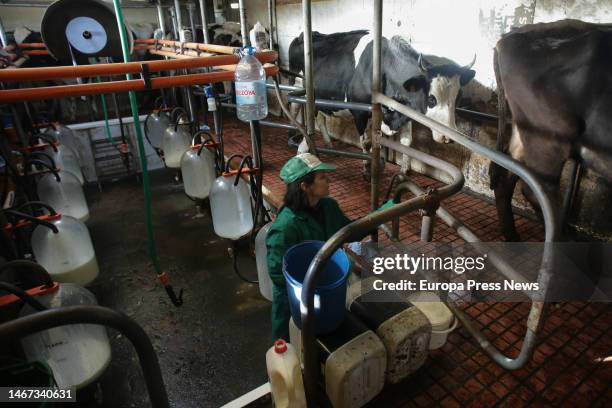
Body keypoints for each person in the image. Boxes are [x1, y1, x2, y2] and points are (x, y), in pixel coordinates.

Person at [266, 153, 393, 341]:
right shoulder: (285, 228)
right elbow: (277, 274)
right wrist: (312, 290)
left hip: (326, 288)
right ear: (305, 186)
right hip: (293, 302)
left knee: (325, 340)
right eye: (322, 178)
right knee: (291, 349)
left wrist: (387, 210)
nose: (328, 181)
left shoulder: (328, 206)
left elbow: (351, 231)